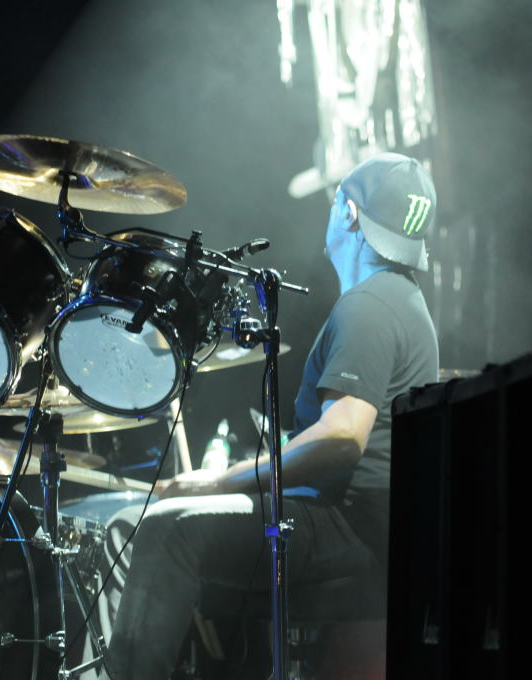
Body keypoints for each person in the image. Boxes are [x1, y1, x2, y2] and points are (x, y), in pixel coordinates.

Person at [97, 152, 440, 680]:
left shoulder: (369, 305)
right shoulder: (402, 299)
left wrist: (220, 481)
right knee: (148, 525)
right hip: (373, 529)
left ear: (348, 213)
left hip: (348, 527)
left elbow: (343, 439)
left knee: (164, 529)